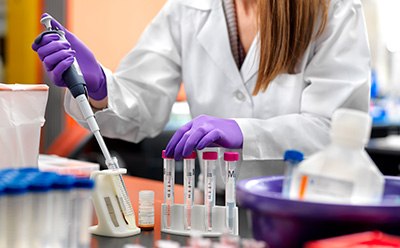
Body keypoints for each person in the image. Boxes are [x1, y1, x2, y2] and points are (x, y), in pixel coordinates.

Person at [32, 0, 371, 192]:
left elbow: (338, 130)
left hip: (311, 205)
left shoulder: (334, 8)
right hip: (216, 206)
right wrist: (102, 89)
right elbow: (144, 108)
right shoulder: (187, 9)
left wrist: (245, 133)